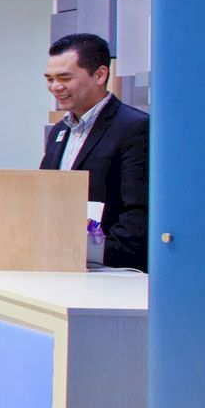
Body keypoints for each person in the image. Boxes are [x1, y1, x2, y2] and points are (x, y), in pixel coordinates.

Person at [40, 32, 148, 270]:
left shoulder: (134, 127)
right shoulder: (59, 131)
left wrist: (95, 255)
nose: (55, 87)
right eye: (50, 79)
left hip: (110, 271)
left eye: (65, 78)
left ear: (100, 74)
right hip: (60, 263)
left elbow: (137, 215)